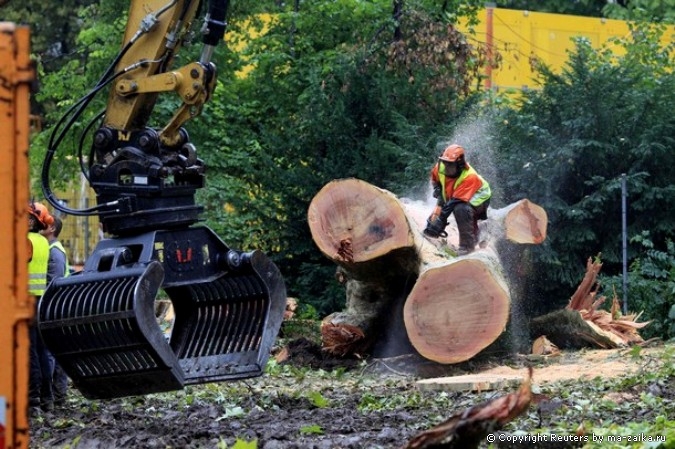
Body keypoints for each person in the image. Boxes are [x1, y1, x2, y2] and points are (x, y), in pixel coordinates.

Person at [423, 144, 492, 255]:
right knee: (451, 205)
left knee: (461, 209)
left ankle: (466, 247)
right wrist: (437, 189)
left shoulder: (469, 176)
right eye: (445, 163)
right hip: (459, 196)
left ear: (459, 164)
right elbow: (435, 179)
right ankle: (480, 231)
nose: (447, 167)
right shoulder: (440, 167)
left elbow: (454, 202)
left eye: (450, 164)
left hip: (479, 198)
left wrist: (440, 220)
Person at [27, 201, 55, 412]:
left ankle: (33, 400)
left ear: (31, 221)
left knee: (29, 354)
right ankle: (47, 397)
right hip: (39, 301)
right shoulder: (43, 242)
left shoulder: (25, 241)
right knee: (40, 351)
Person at [40, 215, 70, 406]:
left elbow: (53, 284)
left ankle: (54, 395)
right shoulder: (51, 250)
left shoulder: (55, 252)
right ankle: (59, 395)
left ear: (51, 228)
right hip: (57, 308)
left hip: (55, 309)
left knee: (52, 353)